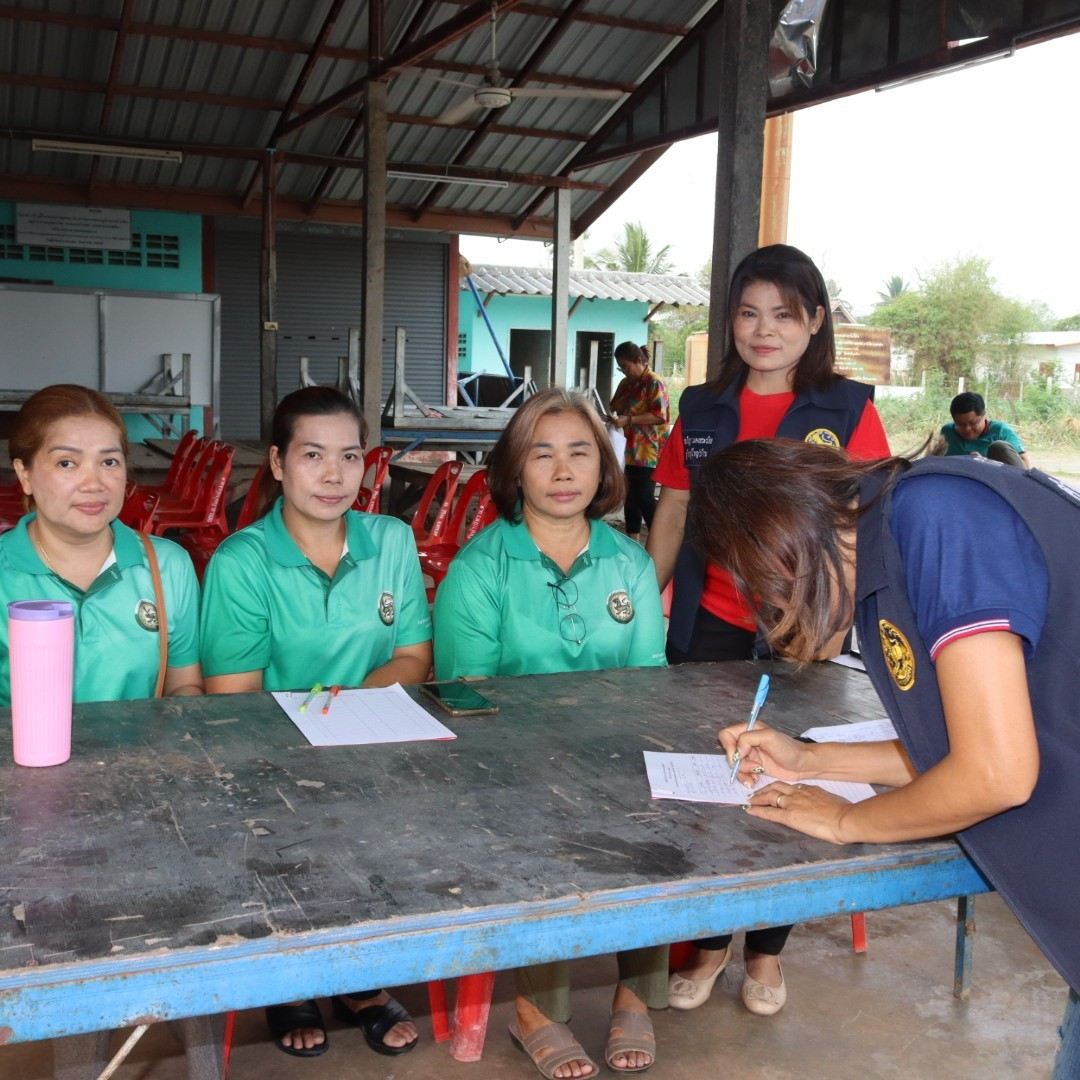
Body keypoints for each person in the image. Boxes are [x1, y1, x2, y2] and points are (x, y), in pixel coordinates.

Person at [688, 438, 1078, 1080]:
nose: (775, 610)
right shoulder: (882, 572)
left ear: (783, 535)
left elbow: (996, 774)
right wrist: (810, 762)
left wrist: (847, 823)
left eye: (763, 584)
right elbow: (961, 749)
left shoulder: (938, 514)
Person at [645, 244, 891, 1016]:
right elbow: (677, 509)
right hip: (711, 622)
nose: (764, 329)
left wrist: (843, 620)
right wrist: (639, 600)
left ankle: (768, 955)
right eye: (749, 312)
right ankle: (710, 944)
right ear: (731, 322)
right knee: (709, 787)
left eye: (784, 314)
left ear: (814, 322)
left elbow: (871, 516)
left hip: (804, 632)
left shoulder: (847, 408)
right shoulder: (698, 407)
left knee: (796, 781)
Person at [434, 388, 667, 1078]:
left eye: (580, 453)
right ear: (515, 470)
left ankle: (637, 993)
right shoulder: (480, 569)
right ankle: (538, 1008)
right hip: (509, 763)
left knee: (665, 814)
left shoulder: (629, 563)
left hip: (614, 753)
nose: (563, 471)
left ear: (604, 468)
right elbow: (466, 700)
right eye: (543, 454)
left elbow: (649, 679)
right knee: (542, 812)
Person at [199, 386, 432, 1061]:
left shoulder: (390, 540)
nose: (334, 475)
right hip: (269, 762)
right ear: (276, 463)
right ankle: (292, 979)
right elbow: (235, 696)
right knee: (298, 823)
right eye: (312, 455)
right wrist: (324, 730)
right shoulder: (244, 560)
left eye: (349, 456)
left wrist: (350, 711)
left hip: (374, 744)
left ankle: (359, 980)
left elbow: (413, 656)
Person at [0, 385, 218, 1080]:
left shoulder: (166, 566)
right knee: (75, 962)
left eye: (110, 462)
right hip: (32, 810)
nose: (94, 483)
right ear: (24, 474)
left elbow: (185, 685)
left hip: (152, 797)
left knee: (203, 935)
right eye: (66, 463)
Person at [608, 342, 670, 543]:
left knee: (644, 496)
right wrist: (614, 419)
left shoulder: (654, 383)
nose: (624, 371)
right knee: (630, 497)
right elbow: (616, 406)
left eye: (626, 366)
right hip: (628, 448)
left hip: (649, 450)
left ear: (639, 361)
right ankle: (633, 544)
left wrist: (630, 419)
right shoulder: (626, 384)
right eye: (620, 367)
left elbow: (660, 416)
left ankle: (659, 543)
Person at [942, 391, 1029, 467]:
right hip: (957, 482)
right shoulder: (947, 432)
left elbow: (1024, 466)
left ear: (984, 415)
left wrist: (985, 462)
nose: (967, 429)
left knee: (998, 446)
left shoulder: (1000, 431)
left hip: (997, 482)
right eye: (960, 424)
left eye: (973, 423)